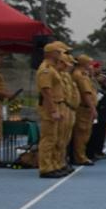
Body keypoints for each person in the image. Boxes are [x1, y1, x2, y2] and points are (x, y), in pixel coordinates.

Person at [35, 43, 74, 178]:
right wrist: (53, 110)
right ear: (51, 53)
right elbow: (46, 91)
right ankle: (46, 167)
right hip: (50, 106)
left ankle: (55, 164)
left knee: (57, 137)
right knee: (49, 138)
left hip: (58, 104)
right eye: (58, 52)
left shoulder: (52, 69)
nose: (60, 55)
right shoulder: (45, 69)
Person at [70, 55, 98, 166]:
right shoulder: (80, 75)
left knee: (84, 134)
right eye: (89, 63)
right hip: (84, 108)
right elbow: (85, 93)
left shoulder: (84, 75)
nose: (91, 66)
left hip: (86, 108)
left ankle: (80, 155)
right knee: (81, 134)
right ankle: (80, 157)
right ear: (84, 63)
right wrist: (92, 108)